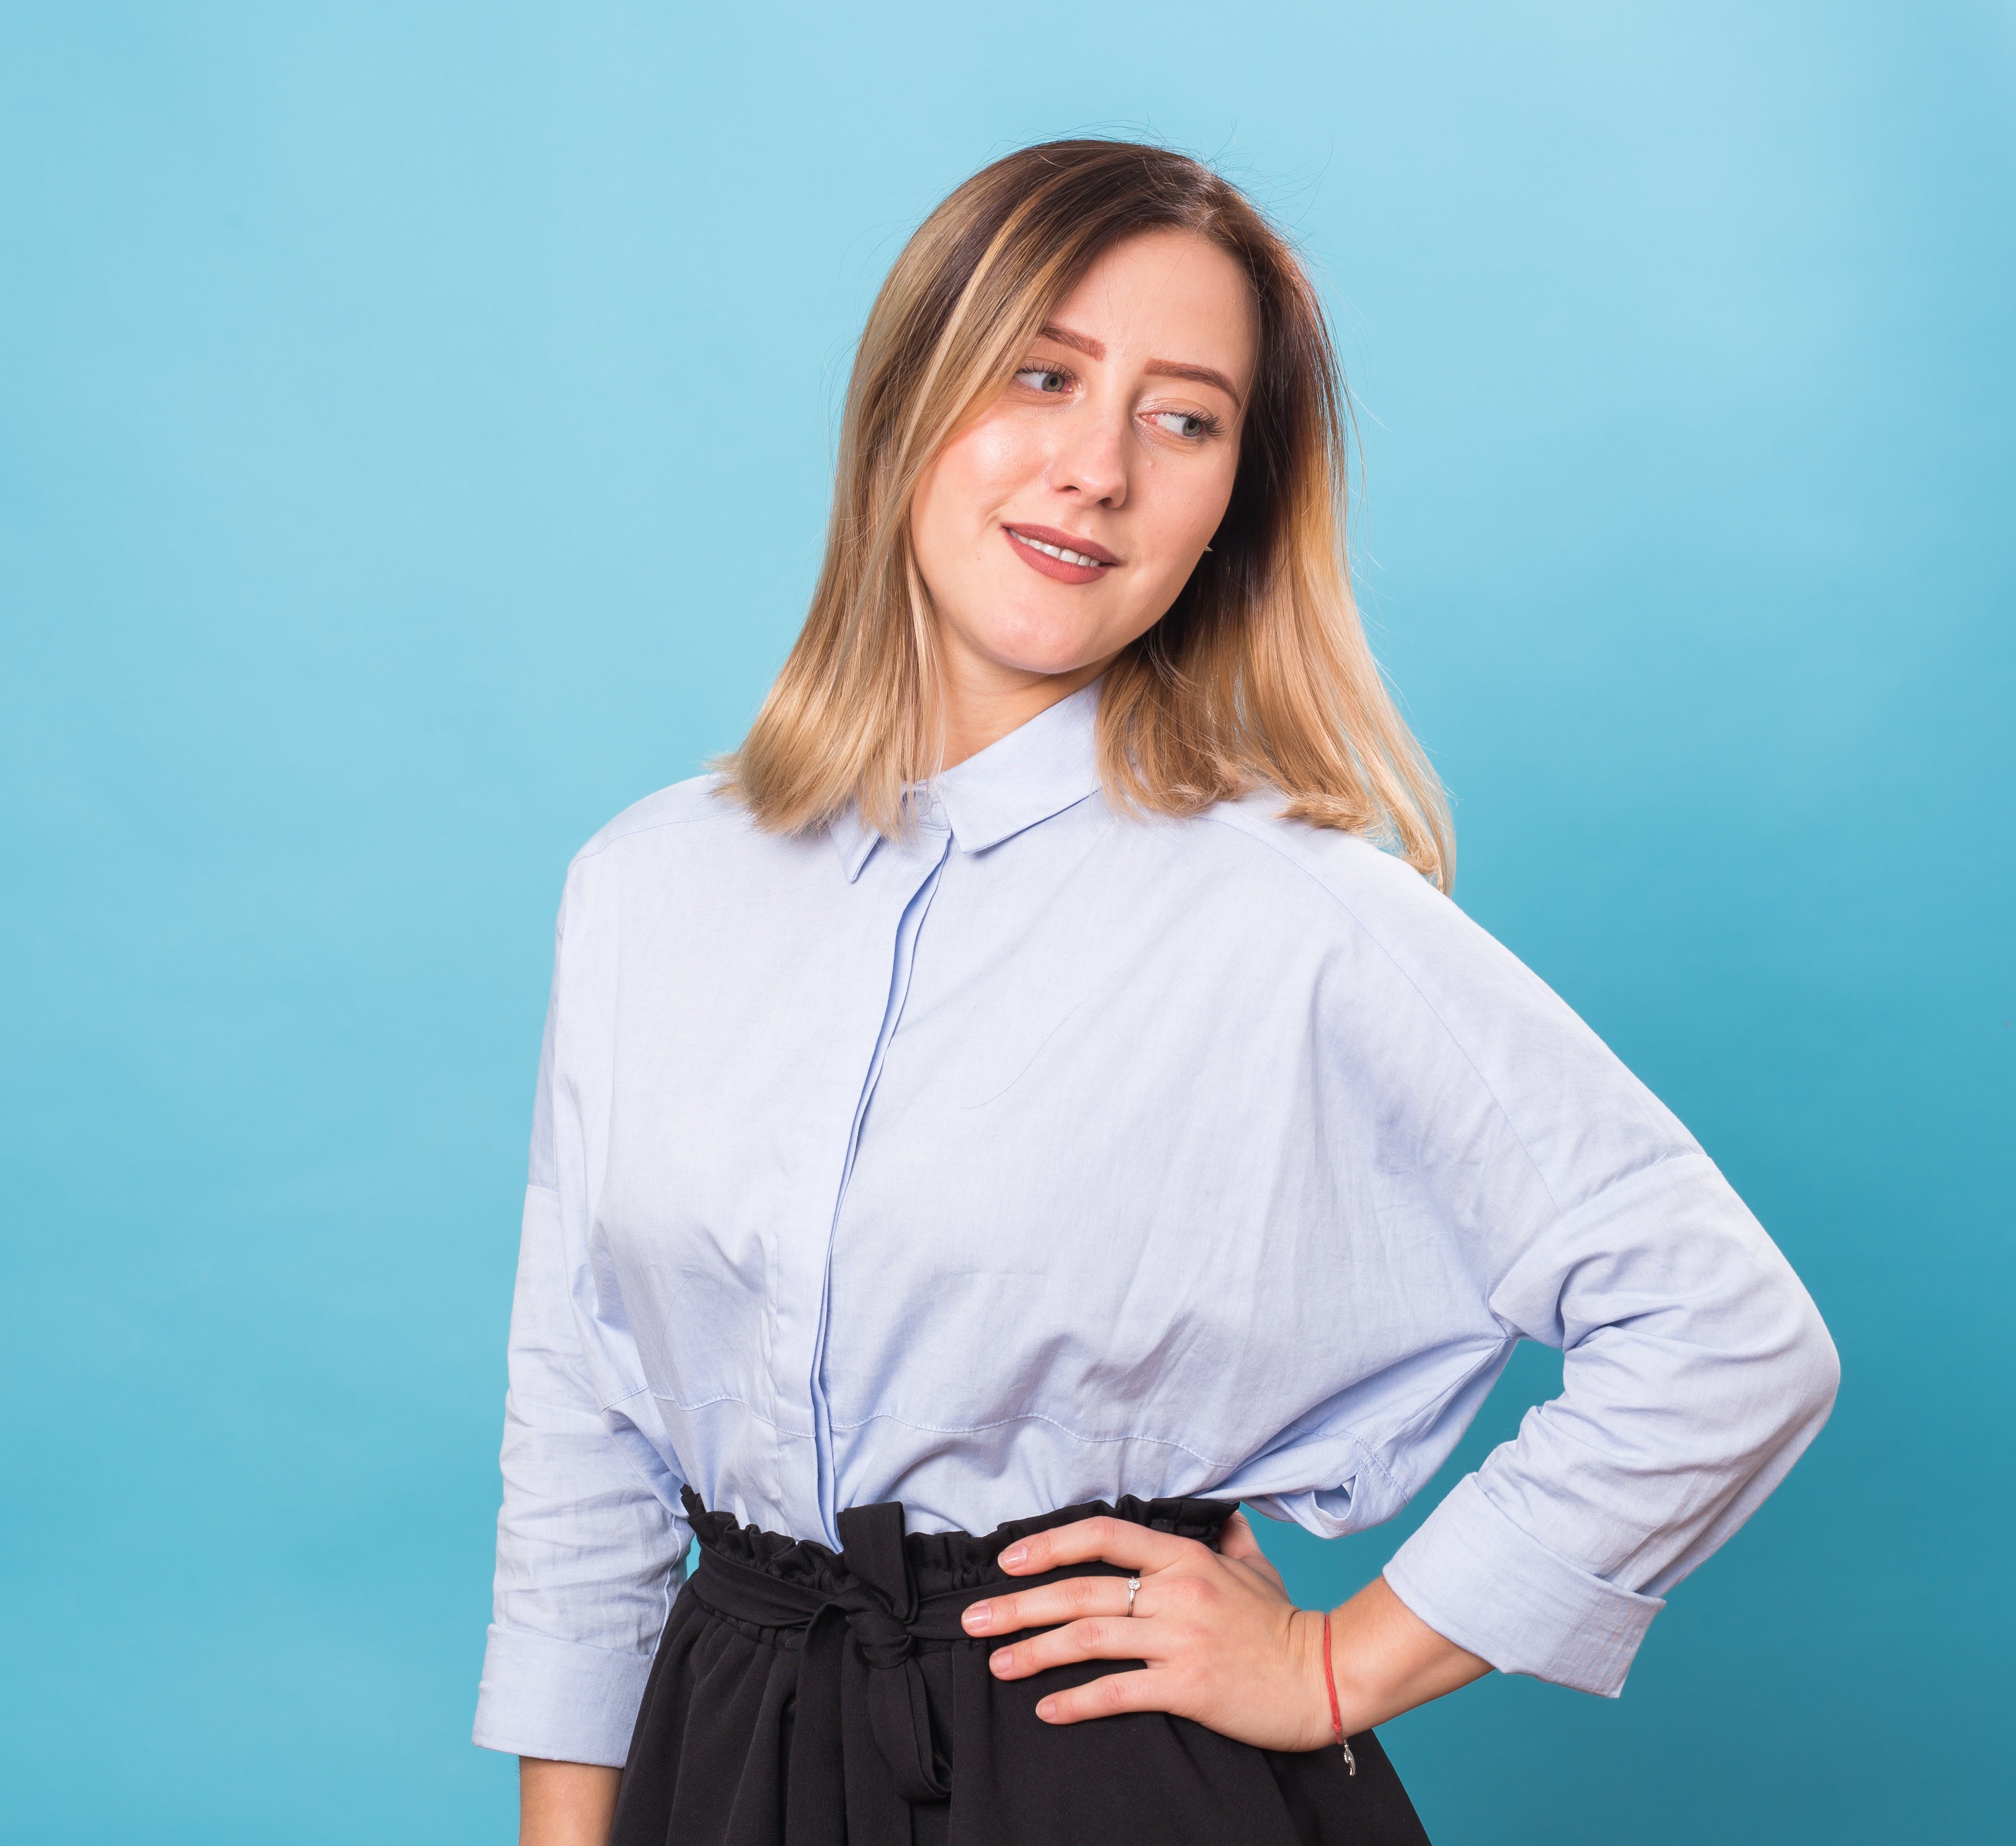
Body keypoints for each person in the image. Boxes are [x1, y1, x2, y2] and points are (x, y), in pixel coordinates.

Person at [472, 139, 1838, 1846]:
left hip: (1099, 1770)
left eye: (1181, 419)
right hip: (728, 1740)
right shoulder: (645, 885)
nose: (1095, 469)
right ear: (909, 397)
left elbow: (1729, 1333)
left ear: (1230, 501)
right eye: (1039, 375)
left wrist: (1342, 1664)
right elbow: (583, 1424)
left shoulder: (1293, 914)